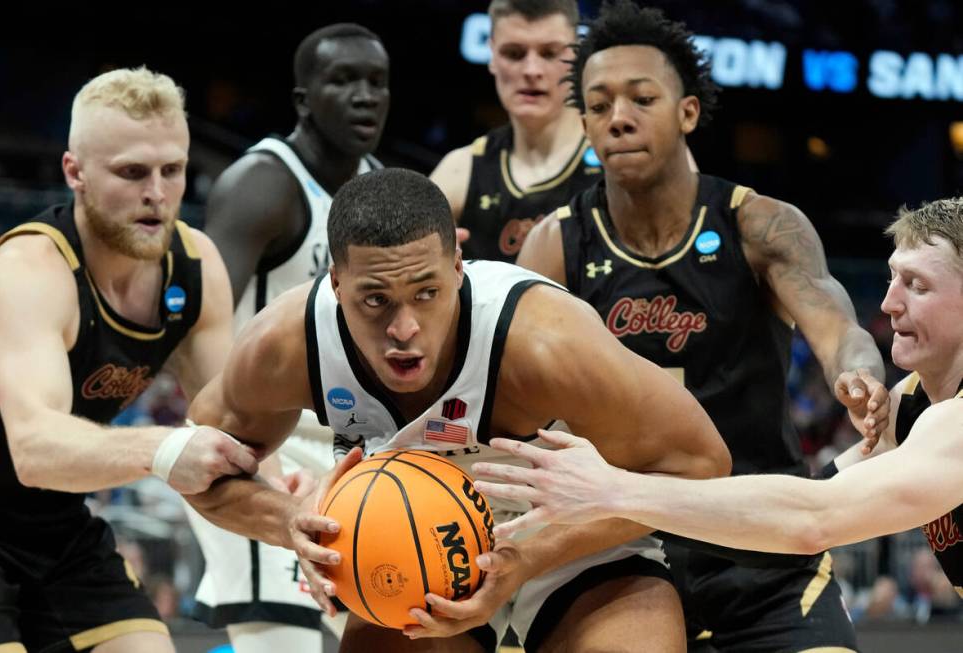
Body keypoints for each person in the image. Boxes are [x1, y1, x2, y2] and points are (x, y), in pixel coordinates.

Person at [185, 168, 731, 652]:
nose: (404, 329)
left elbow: (701, 463)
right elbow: (197, 468)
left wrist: (529, 558)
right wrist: (286, 520)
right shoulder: (286, 344)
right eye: (375, 300)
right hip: (408, 544)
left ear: (458, 269)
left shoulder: (544, 342)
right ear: (335, 282)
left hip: (569, 532)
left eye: (427, 292)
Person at [515, 2, 888, 651]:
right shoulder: (556, 244)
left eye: (641, 98)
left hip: (758, 544)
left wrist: (858, 372)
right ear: (583, 125)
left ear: (687, 111)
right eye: (599, 106)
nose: (619, 117)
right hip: (616, 550)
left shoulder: (760, 224)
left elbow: (836, 326)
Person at [476, 197, 963, 605]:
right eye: (892, 279)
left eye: (917, 286)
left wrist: (614, 490)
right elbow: (782, 522)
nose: (888, 304)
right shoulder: (910, 405)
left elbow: (816, 519)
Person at [0, 67, 257, 652]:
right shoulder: (27, 271)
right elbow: (34, 451)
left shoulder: (196, 264)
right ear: (74, 173)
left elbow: (231, 433)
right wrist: (165, 451)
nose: (157, 192)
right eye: (132, 172)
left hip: (55, 531)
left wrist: (303, 526)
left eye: (173, 170)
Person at [189, 23, 388, 651]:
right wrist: (249, 456)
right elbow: (200, 327)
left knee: (392, 622)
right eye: (343, 81)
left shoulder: (381, 188)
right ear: (304, 98)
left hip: (346, 450)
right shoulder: (264, 184)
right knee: (283, 641)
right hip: (253, 447)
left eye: (377, 83)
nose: (364, 97)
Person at [430, 0, 603, 263]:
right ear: (491, 56)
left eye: (549, 53)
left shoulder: (621, 158)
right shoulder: (459, 171)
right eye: (514, 53)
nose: (531, 70)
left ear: (576, 56)